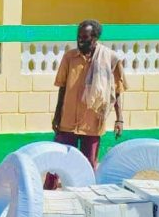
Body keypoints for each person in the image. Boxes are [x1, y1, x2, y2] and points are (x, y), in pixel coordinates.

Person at [46, 19, 126, 189]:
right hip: (67, 121)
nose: (80, 41)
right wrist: (57, 116)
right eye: (78, 37)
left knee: (88, 165)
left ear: (95, 38)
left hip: (92, 122)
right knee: (57, 162)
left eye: (85, 38)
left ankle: (85, 195)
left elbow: (116, 92)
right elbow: (62, 88)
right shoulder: (69, 57)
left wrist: (119, 119)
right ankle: (48, 194)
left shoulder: (109, 59)